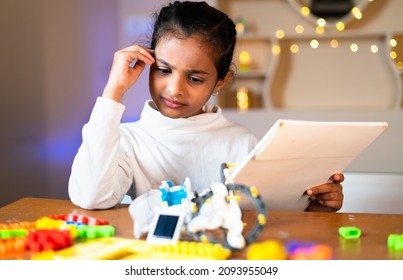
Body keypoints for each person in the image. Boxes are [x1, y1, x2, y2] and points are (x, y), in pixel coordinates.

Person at [68, 1, 344, 212]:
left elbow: (269, 215)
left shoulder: (243, 144)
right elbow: (91, 197)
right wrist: (112, 92)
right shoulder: (128, 140)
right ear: (148, 63)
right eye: (164, 70)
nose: (175, 89)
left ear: (222, 81)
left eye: (195, 78)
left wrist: (317, 205)